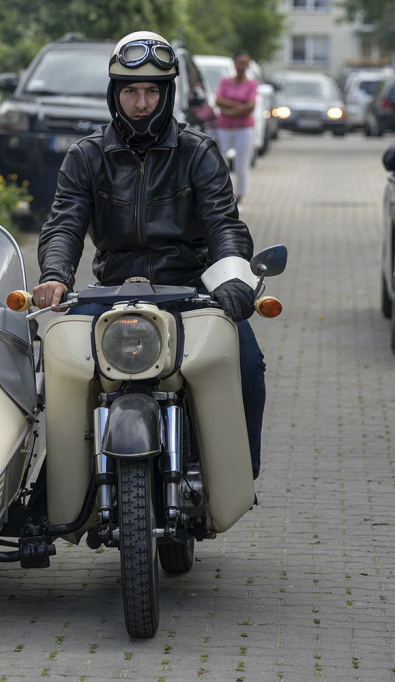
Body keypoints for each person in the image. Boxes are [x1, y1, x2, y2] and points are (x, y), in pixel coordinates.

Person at [33, 31, 267, 479]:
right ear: (114, 94)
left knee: (247, 361)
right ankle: (60, 480)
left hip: (191, 292)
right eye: (130, 92)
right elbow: (64, 223)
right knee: (58, 367)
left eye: (151, 92)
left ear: (167, 95)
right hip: (112, 291)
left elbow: (224, 223)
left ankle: (237, 472)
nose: (141, 103)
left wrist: (234, 279)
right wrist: (56, 275)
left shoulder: (198, 152)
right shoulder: (87, 156)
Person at [214, 51, 257, 203]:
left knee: (242, 164)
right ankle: (220, 193)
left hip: (244, 128)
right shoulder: (225, 81)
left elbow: (251, 107)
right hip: (225, 127)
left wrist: (229, 109)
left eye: (245, 63)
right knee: (219, 161)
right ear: (234, 63)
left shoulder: (251, 84)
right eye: (239, 63)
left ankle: (239, 196)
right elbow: (218, 101)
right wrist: (240, 107)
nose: (241, 67)